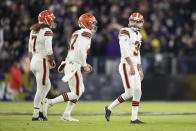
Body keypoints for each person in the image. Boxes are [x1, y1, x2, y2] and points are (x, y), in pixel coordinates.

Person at [42, 13, 97, 122]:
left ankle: (66, 114)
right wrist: (84, 65)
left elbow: (78, 50)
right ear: (86, 23)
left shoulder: (77, 32)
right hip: (73, 64)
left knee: (80, 90)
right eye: (92, 23)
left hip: (71, 63)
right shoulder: (86, 32)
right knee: (76, 92)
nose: (94, 25)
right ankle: (50, 102)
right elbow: (80, 50)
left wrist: (83, 63)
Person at [104, 12, 145, 124]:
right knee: (129, 92)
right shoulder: (124, 31)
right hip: (126, 65)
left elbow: (138, 54)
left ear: (141, 23)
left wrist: (140, 68)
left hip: (134, 65)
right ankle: (109, 108)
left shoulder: (139, 35)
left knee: (137, 91)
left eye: (138, 21)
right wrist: (131, 65)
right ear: (129, 21)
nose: (135, 23)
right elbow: (124, 50)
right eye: (133, 21)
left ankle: (134, 118)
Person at [28, 10, 56, 121]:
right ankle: (36, 114)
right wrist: (52, 62)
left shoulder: (33, 31)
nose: (52, 21)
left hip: (34, 60)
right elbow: (49, 51)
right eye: (51, 19)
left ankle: (39, 111)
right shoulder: (47, 31)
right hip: (42, 61)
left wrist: (32, 62)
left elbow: (30, 51)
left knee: (47, 85)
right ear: (47, 19)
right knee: (40, 88)